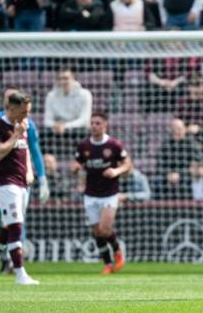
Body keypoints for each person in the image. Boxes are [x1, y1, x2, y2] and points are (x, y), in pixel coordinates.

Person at [0, 88, 49, 274]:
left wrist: (41, 177)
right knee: (7, 221)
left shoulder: (26, 122)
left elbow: (32, 151)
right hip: (2, 179)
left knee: (13, 222)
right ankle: (15, 266)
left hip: (22, 179)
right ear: (9, 104)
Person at [71, 112, 133, 274]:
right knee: (96, 231)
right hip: (90, 194)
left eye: (98, 123)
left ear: (105, 125)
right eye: (92, 123)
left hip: (109, 193)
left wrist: (116, 170)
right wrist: (75, 169)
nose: (94, 126)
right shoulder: (84, 146)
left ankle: (118, 251)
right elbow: (77, 163)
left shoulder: (114, 145)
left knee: (105, 229)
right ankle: (107, 264)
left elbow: (127, 163)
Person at [154, 118, 203, 199]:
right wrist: (168, 174)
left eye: (179, 128)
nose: (177, 131)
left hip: (187, 177)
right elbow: (160, 166)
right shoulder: (165, 146)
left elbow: (198, 165)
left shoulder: (191, 144)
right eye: (174, 129)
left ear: (184, 129)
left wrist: (180, 174)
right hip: (169, 178)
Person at [44, 68, 93, 134]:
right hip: (58, 131)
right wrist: (56, 125)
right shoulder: (51, 95)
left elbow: (84, 120)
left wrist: (65, 126)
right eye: (59, 79)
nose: (62, 82)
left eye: (65, 78)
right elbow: (47, 120)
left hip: (79, 131)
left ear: (73, 78)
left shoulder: (85, 94)